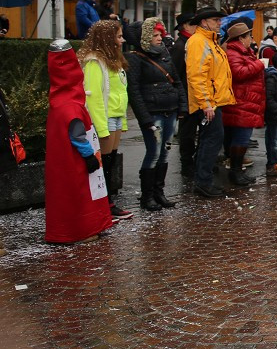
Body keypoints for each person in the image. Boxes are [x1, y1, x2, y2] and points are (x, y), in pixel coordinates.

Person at [44, 39, 114, 243]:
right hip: (75, 160)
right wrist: (89, 156)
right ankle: (81, 230)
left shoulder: (58, 100)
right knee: (79, 195)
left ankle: (68, 230)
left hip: (62, 162)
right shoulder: (70, 105)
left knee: (66, 195)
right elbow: (77, 135)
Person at [124, 17, 185, 212]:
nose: (160, 38)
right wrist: (145, 118)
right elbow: (134, 91)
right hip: (154, 113)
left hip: (170, 110)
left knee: (165, 152)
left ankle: (159, 192)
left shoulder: (164, 53)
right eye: (155, 35)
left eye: (160, 34)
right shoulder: (135, 58)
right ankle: (148, 195)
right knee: (154, 152)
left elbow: (176, 81)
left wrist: (182, 106)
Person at [78, 20, 132, 219]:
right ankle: (104, 205)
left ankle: (108, 203)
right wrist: (101, 128)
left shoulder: (113, 61)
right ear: (108, 39)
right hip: (105, 118)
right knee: (104, 163)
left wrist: (123, 121)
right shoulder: (94, 62)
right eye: (118, 36)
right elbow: (93, 98)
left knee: (110, 162)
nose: (122, 40)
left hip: (115, 116)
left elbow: (121, 93)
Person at [185, 7, 234, 198]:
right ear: (204, 22)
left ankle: (204, 181)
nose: (219, 23)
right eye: (215, 20)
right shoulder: (199, 42)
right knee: (210, 141)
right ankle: (203, 182)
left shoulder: (209, 41)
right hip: (208, 103)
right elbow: (197, 75)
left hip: (212, 101)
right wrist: (206, 103)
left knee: (211, 141)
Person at [222, 22, 265, 186]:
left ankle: (238, 170)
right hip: (240, 101)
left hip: (246, 100)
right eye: (249, 36)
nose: (251, 39)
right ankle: (235, 171)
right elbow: (238, 73)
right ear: (241, 38)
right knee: (240, 139)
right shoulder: (233, 53)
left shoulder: (244, 51)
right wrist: (259, 64)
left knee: (242, 139)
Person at [170, 13, 199, 178]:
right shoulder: (181, 46)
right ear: (185, 26)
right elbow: (177, 73)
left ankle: (192, 162)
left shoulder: (189, 43)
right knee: (187, 132)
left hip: (192, 94)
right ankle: (187, 164)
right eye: (193, 24)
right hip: (186, 95)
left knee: (191, 130)